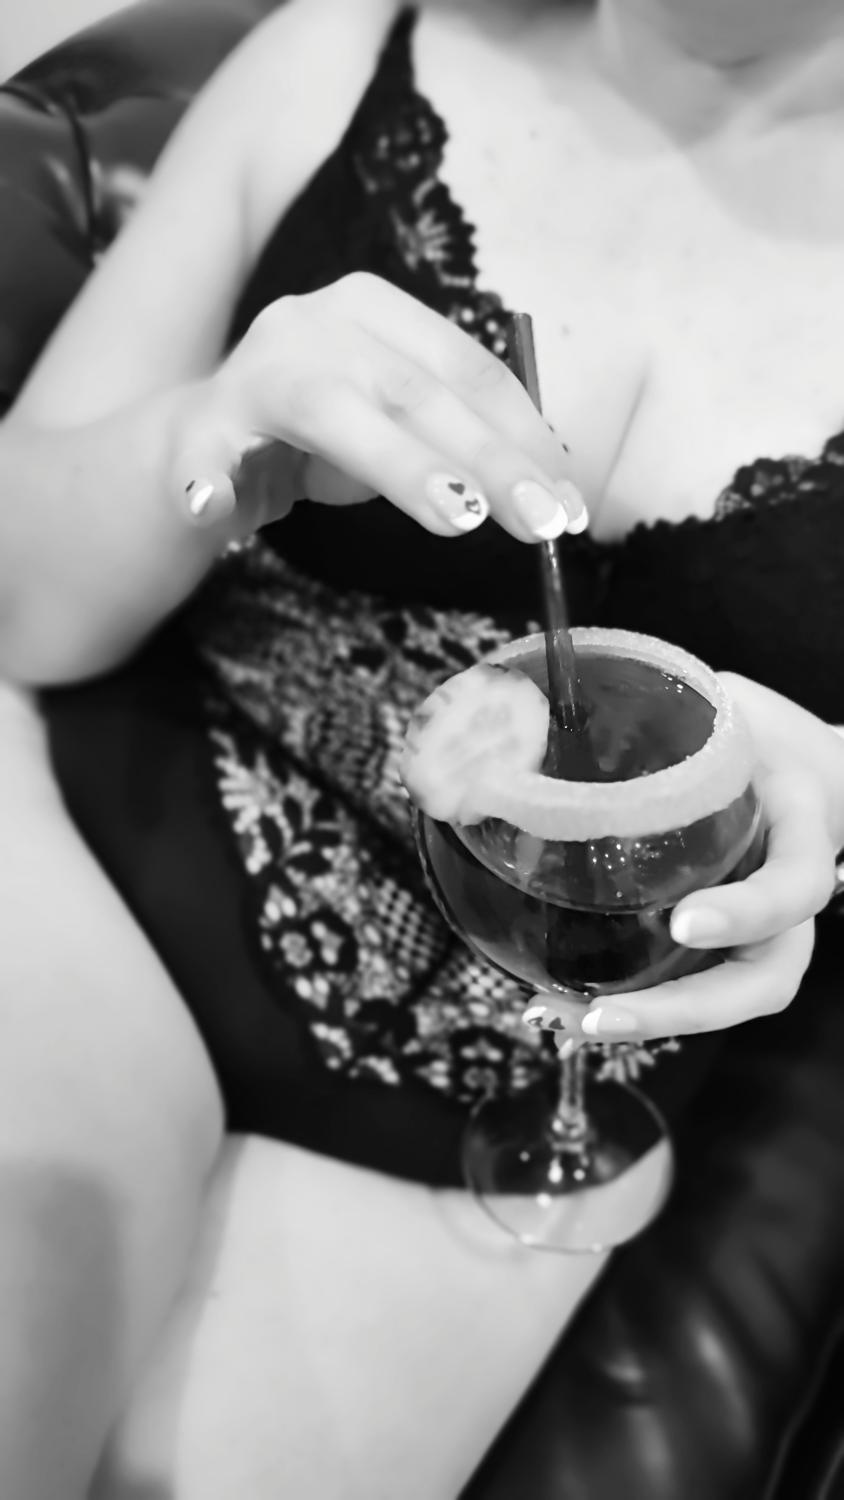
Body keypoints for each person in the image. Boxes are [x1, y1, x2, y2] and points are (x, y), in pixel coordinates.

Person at [1, 0, 844, 1494]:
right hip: (114, 840)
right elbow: (24, 608)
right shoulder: (340, 48)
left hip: (552, 1048)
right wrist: (208, 436)